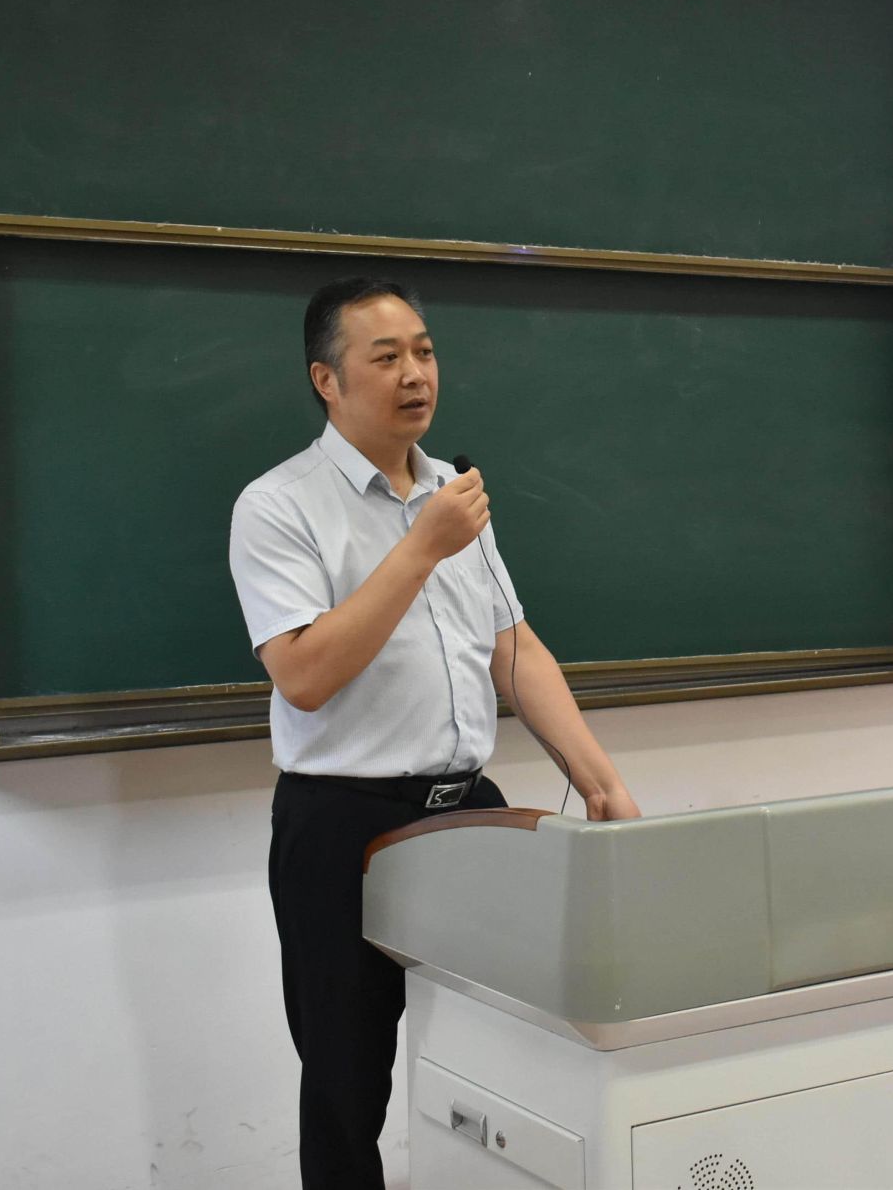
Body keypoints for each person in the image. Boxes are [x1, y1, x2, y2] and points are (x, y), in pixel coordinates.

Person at [228, 275, 641, 1188]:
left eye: (424, 351)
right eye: (386, 358)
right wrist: (420, 545)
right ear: (327, 380)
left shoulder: (454, 490)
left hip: (468, 812)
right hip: (342, 823)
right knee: (346, 1085)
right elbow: (304, 675)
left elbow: (510, 645)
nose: (416, 374)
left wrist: (600, 778)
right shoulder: (278, 505)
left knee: (506, 1050)